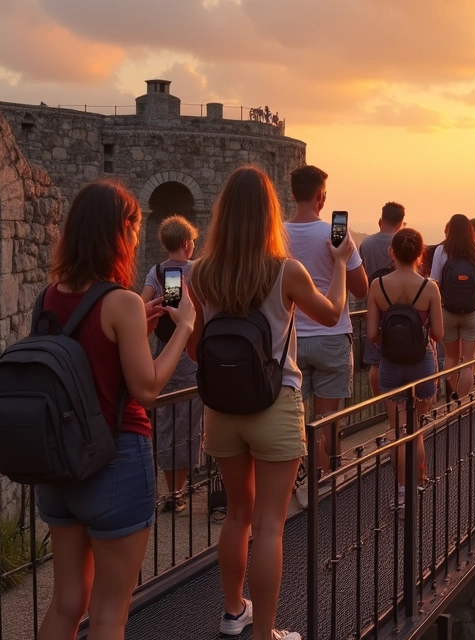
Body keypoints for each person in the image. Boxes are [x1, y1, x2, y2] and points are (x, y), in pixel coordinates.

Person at [187, 165, 354, 640]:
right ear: (268, 215)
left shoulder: (200, 273)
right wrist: (340, 262)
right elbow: (334, 311)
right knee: (270, 525)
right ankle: (265, 634)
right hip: (275, 404)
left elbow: (196, 345)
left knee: (237, 514)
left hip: (221, 411)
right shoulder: (285, 271)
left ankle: (232, 611)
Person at [36, 179, 196, 640]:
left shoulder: (48, 297)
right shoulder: (120, 301)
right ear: (119, 232)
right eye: (133, 228)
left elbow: (88, 361)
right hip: (116, 461)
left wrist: (135, 329)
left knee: (66, 604)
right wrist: (183, 326)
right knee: (110, 613)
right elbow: (145, 389)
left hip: (61, 463)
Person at [284, 165, 367, 486]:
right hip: (331, 337)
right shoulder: (336, 235)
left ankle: (294, 480)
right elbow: (361, 290)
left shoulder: (275, 234)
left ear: (293, 194)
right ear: (321, 196)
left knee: (291, 418)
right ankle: (324, 483)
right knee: (326, 420)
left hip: (287, 340)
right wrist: (339, 261)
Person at [366, 228, 443, 505]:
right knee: (416, 429)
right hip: (422, 363)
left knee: (398, 431)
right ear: (421, 253)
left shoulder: (378, 286)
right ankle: (419, 483)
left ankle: (401, 492)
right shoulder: (429, 287)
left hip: (390, 364)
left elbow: (372, 335)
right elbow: (439, 334)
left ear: (392, 253)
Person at [139, 215, 204, 514]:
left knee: (165, 424)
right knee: (190, 423)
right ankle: (182, 489)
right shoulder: (199, 271)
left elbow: (142, 307)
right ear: (187, 242)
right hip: (191, 353)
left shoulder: (155, 271)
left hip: (163, 353)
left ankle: (171, 492)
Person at [429, 214, 475, 400]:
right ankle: (462, 401)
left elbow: (435, 281)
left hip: (447, 309)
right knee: (468, 361)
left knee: (451, 358)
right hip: (471, 312)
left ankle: (450, 398)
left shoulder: (441, 250)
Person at [359, 202, 406, 396]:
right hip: (402, 309)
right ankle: (401, 401)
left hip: (375, 307)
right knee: (404, 358)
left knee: (376, 363)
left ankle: (381, 403)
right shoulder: (403, 243)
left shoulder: (366, 244)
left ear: (381, 220)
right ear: (401, 222)